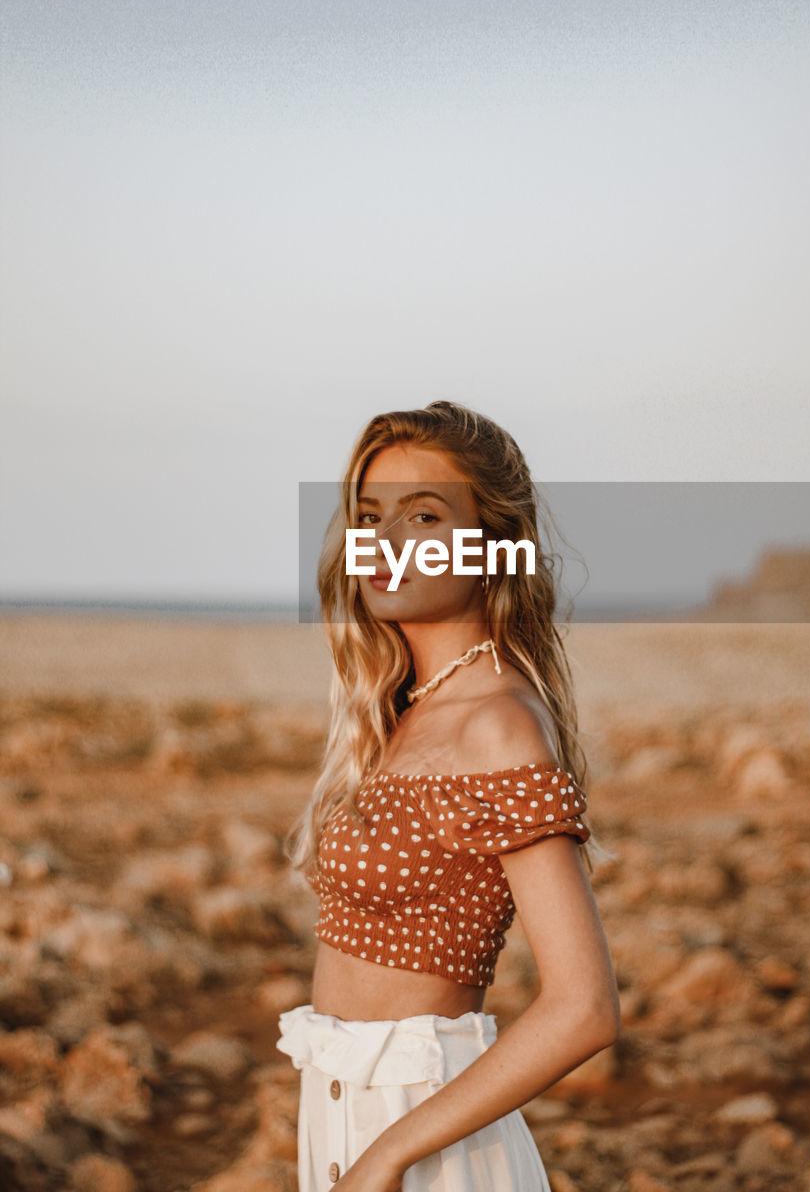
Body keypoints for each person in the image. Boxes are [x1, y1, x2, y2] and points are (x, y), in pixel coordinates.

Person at [280, 401, 620, 1191]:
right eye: (369, 517)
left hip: (424, 1143)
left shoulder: (496, 725)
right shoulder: (403, 710)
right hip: (342, 1116)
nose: (384, 543)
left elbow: (583, 1008)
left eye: (423, 516)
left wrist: (390, 1153)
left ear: (492, 545)